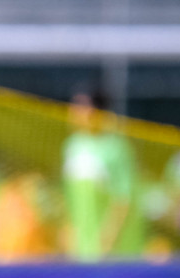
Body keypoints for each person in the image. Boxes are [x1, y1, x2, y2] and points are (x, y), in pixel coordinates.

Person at [60, 87, 144, 262]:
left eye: (81, 107)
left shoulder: (116, 147)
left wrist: (108, 240)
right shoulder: (73, 146)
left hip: (113, 251)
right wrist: (69, 233)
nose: (74, 113)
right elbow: (70, 198)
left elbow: (123, 200)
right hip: (82, 250)